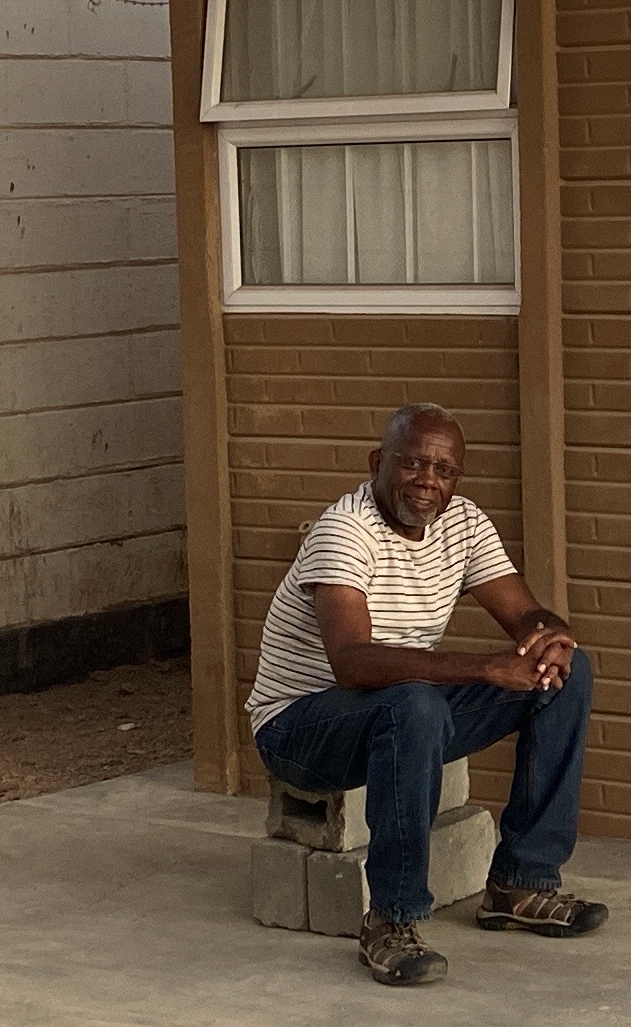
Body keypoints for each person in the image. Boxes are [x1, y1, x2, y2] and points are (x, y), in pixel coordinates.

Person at [248, 402, 608, 987]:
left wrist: (551, 636)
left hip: (399, 711)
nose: (427, 481)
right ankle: (391, 920)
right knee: (414, 702)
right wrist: (485, 668)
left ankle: (521, 884)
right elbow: (352, 663)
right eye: (413, 464)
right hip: (300, 728)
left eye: (444, 470)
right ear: (378, 463)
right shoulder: (344, 531)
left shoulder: (462, 523)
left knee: (565, 676)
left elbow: (523, 612)